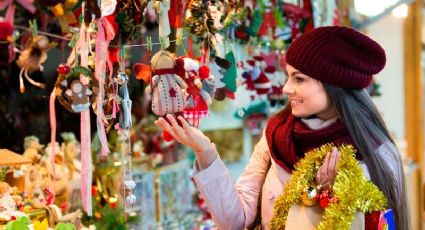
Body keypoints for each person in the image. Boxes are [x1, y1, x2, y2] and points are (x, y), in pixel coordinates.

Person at [155, 26, 409, 230]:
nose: (286, 88)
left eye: (299, 79)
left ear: (335, 84)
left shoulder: (378, 153)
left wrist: (329, 196)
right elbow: (234, 222)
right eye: (288, 76)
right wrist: (205, 152)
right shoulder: (276, 135)